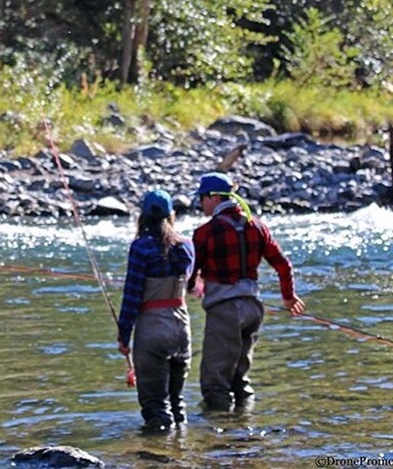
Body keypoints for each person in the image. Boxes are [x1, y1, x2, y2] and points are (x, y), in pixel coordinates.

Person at [189, 172, 305, 412]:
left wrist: (192, 287)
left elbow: (191, 274)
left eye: (202, 198)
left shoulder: (205, 233)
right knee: (240, 380)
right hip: (253, 309)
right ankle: (245, 429)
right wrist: (288, 297)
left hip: (224, 312)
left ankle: (219, 440)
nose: (200, 203)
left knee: (215, 384)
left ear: (214, 197)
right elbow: (283, 265)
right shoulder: (258, 226)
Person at [117, 189, 195, 432]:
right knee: (177, 404)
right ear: (171, 215)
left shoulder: (141, 248)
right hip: (182, 328)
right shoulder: (186, 247)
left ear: (143, 216)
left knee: (155, 408)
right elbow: (191, 284)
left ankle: (157, 458)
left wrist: (123, 336)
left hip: (153, 330)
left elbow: (132, 296)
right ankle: (182, 452)